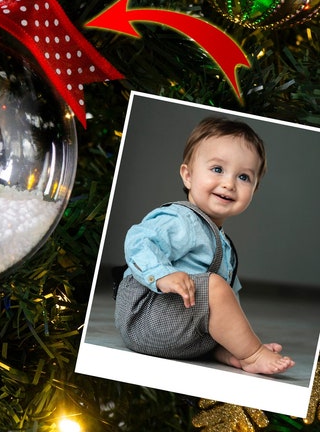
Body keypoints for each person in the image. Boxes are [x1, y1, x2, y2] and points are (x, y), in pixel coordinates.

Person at [115, 117, 295, 375]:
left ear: (255, 189)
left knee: (225, 294)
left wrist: (238, 336)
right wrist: (164, 275)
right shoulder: (180, 219)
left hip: (182, 329)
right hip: (146, 318)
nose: (229, 183)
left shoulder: (222, 242)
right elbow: (138, 240)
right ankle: (252, 355)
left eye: (244, 176)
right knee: (214, 287)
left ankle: (228, 350)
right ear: (188, 176)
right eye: (218, 169)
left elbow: (226, 304)